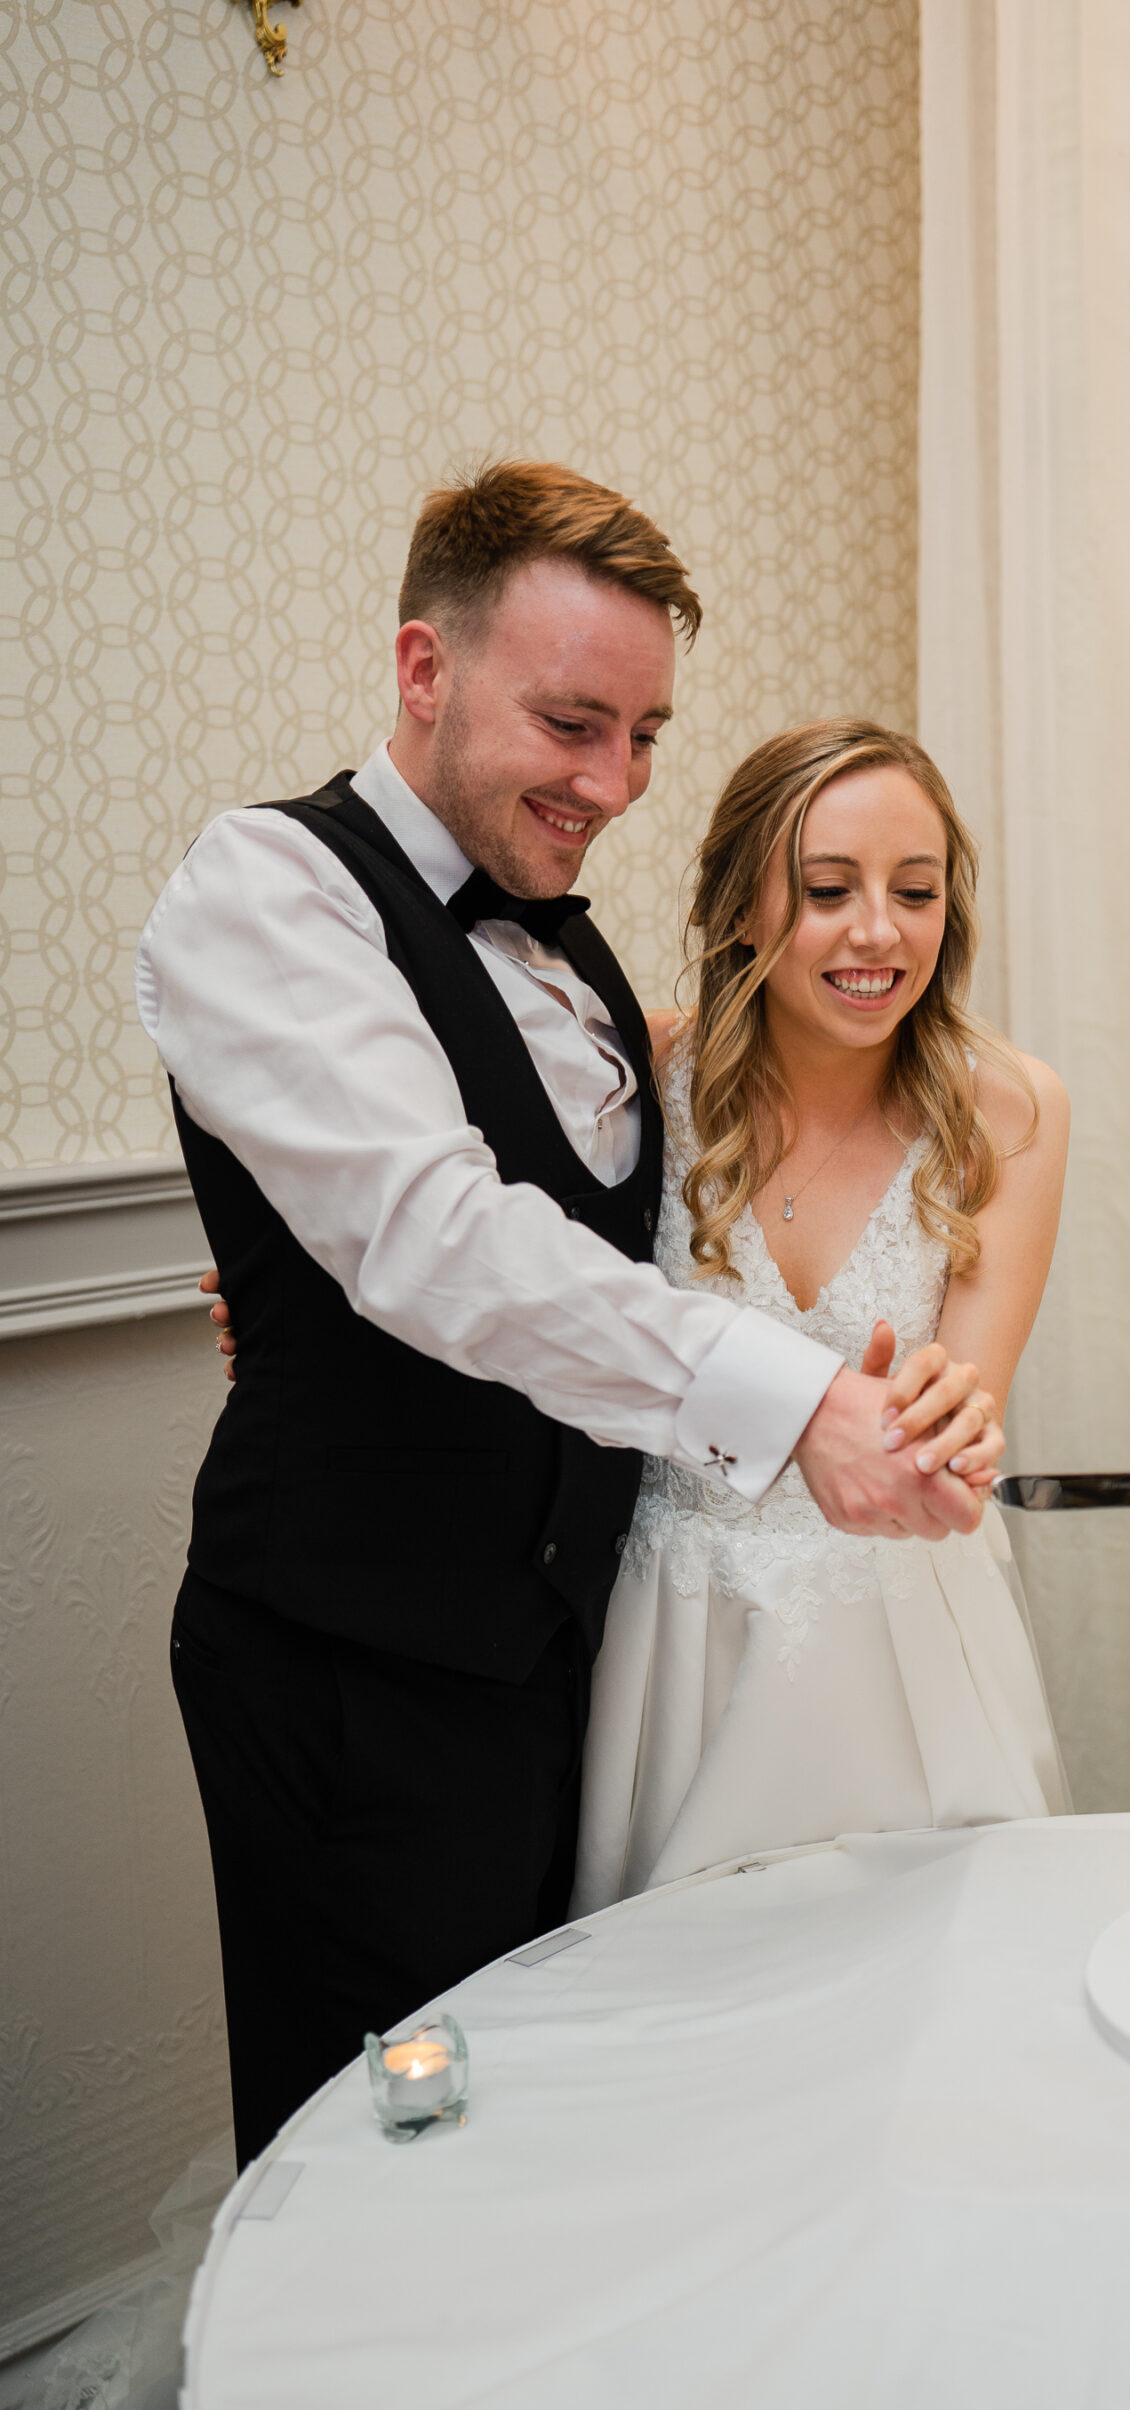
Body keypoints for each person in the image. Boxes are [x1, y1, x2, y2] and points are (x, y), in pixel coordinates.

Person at [137, 462, 993, 2166]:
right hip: (351, 1662)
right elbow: (436, 1239)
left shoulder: (589, 965)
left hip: (571, 1666)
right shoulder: (264, 893)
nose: (613, 782)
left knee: (551, 2128)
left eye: (648, 734)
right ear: (421, 670)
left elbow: (623, 1234)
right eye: (572, 723)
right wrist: (802, 1405)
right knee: (374, 2149)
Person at [573, 720, 1071, 1911]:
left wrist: (959, 1422)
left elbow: (969, 1400)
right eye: (828, 889)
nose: (879, 933)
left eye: (917, 891)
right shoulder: (634, 1074)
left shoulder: (1009, 1109)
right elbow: (489, 1253)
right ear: (743, 903)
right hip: (669, 1638)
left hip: (902, 1656)